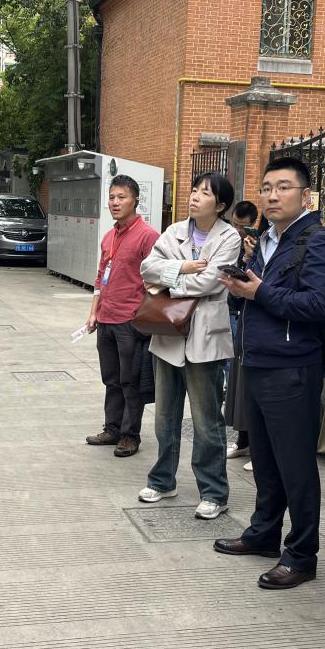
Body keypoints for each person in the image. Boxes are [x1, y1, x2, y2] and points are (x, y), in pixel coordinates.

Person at [214, 156, 325, 588]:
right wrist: (239, 289)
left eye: (283, 187)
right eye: (267, 187)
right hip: (257, 360)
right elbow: (254, 299)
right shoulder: (266, 241)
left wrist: (259, 291)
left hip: (292, 367)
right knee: (266, 460)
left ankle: (302, 554)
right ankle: (264, 533)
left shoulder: (319, 243)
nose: (272, 195)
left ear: (305, 195)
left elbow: (319, 305)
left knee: (296, 466)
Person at [137, 173, 241, 518]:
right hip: (168, 334)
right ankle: (162, 480)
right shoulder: (174, 231)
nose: (195, 197)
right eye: (194, 190)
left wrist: (169, 282)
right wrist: (182, 267)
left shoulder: (229, 237)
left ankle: (214, 492)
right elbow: (147, 268)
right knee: (164, 418)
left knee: (206, 422)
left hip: (205, 340)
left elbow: (212, 281)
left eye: (204, 193)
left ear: (221, 205)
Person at [85, 174, 160, 457]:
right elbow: (100, 277)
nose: (115, 203)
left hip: (130, 321)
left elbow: (156, 280)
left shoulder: (148, 236)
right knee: (111, 379)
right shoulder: (109, 236)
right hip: (106, 318)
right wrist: (94, 312)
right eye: (112, 197)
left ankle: (130, 435)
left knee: (131, 381)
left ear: (135, 200)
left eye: (122, 197)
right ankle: (112, 428)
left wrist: (143, 315)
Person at [224, 199, 261, 461]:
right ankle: (242, 440)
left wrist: (249, 257)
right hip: (235, 310)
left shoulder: (261, 244)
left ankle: (256, 448)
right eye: (234, 224)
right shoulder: (230, 240)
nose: (237, 229)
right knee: (236, 379)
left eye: (242, 226)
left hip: (250, 319)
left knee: (249, 383)